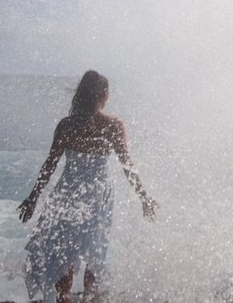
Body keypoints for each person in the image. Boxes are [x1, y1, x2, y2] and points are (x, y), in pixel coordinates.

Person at [18, 70, 156, 303]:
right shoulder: (113, 126)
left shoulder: (66, 125)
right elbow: (127, 166)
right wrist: (144, 198)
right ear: (103, 95)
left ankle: (64, 297)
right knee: (95, 251)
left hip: (68, 193)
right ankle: (91, 298)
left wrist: (33, 198)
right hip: (98, 194)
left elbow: (49, 166)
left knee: (64, 251)